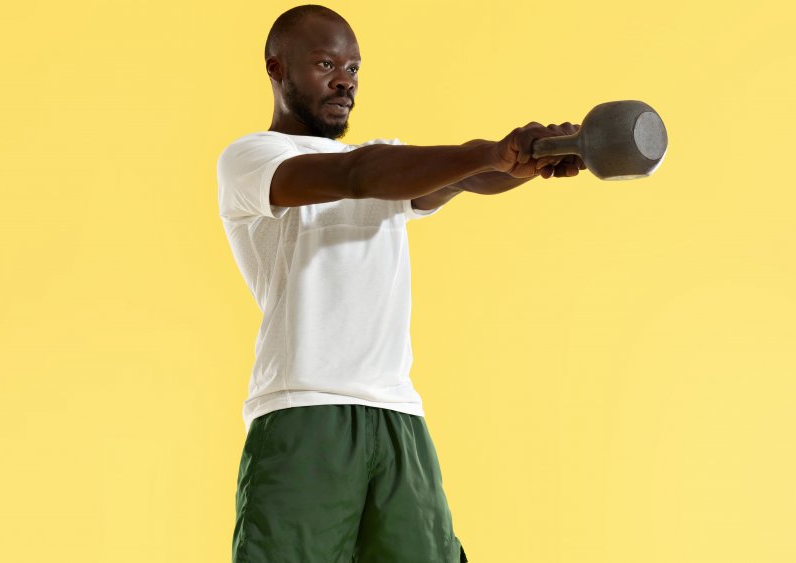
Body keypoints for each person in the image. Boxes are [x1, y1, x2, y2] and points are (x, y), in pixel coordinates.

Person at [216, 5, 584, 562]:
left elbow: (461, 179)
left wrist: (527, 159)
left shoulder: (390, 165)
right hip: (304, 409)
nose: (345, 80)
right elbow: (357, 176)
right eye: (325, 63)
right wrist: (487, 152)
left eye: (354, 68)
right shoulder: (254, 158)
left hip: (397, 414)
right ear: (276, 67)